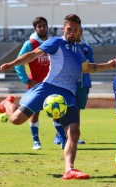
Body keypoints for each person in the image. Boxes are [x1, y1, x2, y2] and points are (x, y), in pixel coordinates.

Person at [0, 14, 116, 180]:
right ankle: (7, 103)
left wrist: (108, 66)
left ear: (79, 31)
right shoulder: (56, 42)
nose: (72, 32)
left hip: (68, 95)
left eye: (75, 30)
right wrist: (11, 64)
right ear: (63, 28)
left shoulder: (79, 49)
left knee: (74, 132)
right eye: (69, 29)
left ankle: (69, 169)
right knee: (16, 120)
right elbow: (32, 55)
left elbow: (87, 67)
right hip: (47, 88)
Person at [14, 16, 67, 150]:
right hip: (36, 85)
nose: (42, 28)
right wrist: (26, 80)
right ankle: (36, 141)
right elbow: (18, 63)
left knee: (57, 111)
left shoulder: (52, 42)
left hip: (52, 84)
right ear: (35, 28)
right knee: (34, 113)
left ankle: (62, 139)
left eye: (44, 25)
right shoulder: (30, 44)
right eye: (39, 26)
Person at [53, 26, 94, 145]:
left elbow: (91, 65)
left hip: (82, 83)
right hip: (66, 83)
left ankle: (73, 135)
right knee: (58, 106)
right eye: (72, 30)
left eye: (78, 31)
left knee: (77, 110)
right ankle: (59, 135)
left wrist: (81, 55)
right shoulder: (63, 45)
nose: (75, 33)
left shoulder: (86, 47)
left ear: (80, 33)